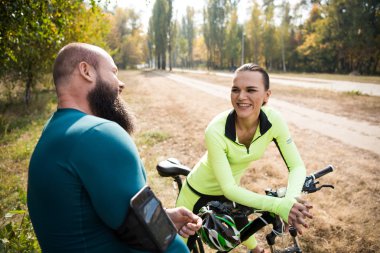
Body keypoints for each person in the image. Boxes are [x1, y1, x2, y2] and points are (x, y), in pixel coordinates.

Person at [27, 42, 201, 253]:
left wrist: (161, 218)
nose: (121, 83)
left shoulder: (54, 129)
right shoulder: (98, 133)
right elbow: (163, 243)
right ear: (86, 71)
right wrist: (161, 231)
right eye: (113, 72)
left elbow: (95, 217)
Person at [176, 63, 313, 253]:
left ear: (267, 95)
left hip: (231, 191)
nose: (241, 97)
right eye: (235, 90)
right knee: (178, 248)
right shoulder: (215, 130)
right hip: (198, 194)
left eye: (251, 90)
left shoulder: (275, 121)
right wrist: (278, 205)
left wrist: (290, 202)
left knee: (242, 230)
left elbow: (297, 166)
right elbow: (229, 189)